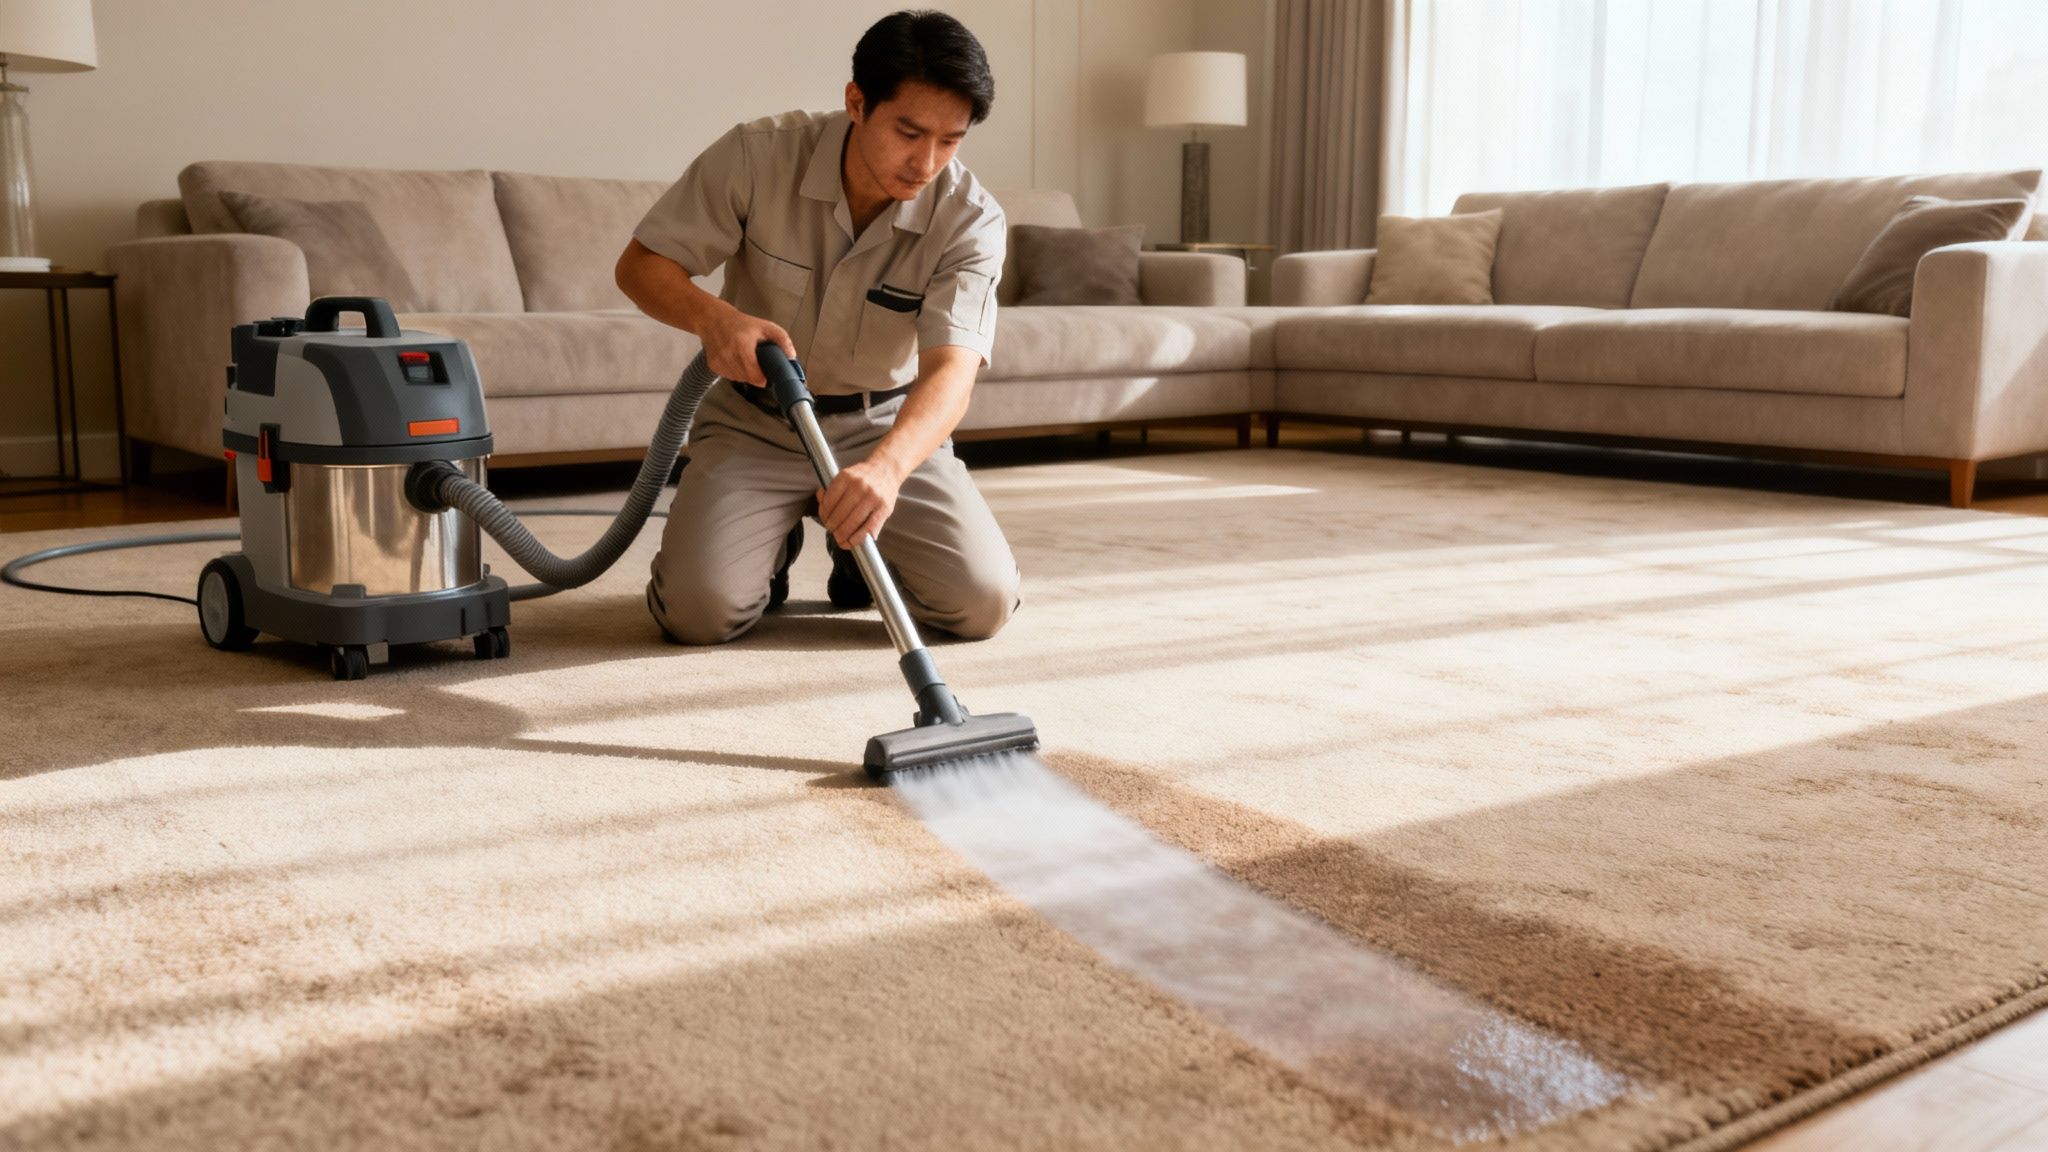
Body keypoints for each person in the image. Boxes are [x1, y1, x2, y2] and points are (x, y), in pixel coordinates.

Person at [616, 9, 1020, 646]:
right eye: (909, 132)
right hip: (757, 423)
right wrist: (714, 318)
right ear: (856, 101)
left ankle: (861, 549)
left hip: (882, 428)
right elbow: (641, 267)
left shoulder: (970, 220)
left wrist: (886, 471)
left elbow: (952, 374)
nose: (925, 163)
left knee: (983, 605)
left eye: (951, 140)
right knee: (698, 615)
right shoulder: (757, 155)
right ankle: (771, 549)